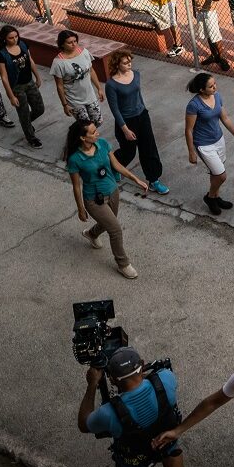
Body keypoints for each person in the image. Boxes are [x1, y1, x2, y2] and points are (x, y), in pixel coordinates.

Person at [78, 346, 192, 467]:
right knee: (172, 452)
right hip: (165, 438)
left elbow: (84, 424)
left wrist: (92, 384)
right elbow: (156, 375)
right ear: (141, 365)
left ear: (112, 380)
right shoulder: (165, 380)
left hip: (135, 454)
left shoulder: (108, 414)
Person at [64, 118, 143, 279]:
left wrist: (136, 179)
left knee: (108, 223)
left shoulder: (103, 145)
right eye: (93, 132)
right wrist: (80, 209)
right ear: (82, 137)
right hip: (93, 200)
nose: (97, 133)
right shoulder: (75, 159)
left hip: (113, 191)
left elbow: (116, 165)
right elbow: (77, 186)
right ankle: (123, 264)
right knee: (115, 229)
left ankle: (91, 234)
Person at [105, 50, 168, 195]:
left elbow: (139, 95)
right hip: (126, 122)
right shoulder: (111, 84)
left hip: (142, 116)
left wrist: (144, 111)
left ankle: (154, 180)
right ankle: (115, 165)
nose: (129, 64)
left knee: (149, 149)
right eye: (125, 63)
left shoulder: (136, 74)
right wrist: (125, 129)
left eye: (130, 61)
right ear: (117, 64)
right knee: (129, 151)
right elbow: (115, 110)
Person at [184, 72, 234, 215]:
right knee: (221, 175)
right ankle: (210, 197)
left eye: (215, 84)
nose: (214, 88)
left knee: (216, 172)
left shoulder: (217, 97)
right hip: (204, 145)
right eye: (211, 86)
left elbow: (225, 119)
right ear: (202, 89)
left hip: (219, 140)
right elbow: (188, 130)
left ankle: (216, 197)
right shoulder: (194, 105)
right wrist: (191, 152)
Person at [0, 25, 45, 148]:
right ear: (4, 39)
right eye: (11, 38)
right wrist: (11, 96)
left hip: (29, 82)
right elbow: (4, 77)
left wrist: (37, 77)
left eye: (16, 36)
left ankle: (26, 123)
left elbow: (30, 61)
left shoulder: (23, 44)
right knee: (23, 113)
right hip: (17, 87)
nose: (15, 39)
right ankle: (31, 137)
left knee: (39, 109)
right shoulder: (1, 54)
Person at [51, 29, 109, 131]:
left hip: (89, 95)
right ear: (62, 44)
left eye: (75, 41)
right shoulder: (58, 62)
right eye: (69, 42)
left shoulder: (84, 52)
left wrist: (99, 88)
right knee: (85, 127)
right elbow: (59, 86)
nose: (73, 44)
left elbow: (91, 71)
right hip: (74, 100)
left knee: (98, 121)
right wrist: (65, 105)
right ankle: (85, 142)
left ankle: (89, 137)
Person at [185, 0, 232, 71]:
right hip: (199, 10)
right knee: (207, 35)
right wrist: (194, 10)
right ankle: (213, 56)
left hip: (209, 10)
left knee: (215, 36)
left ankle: (221, 58)